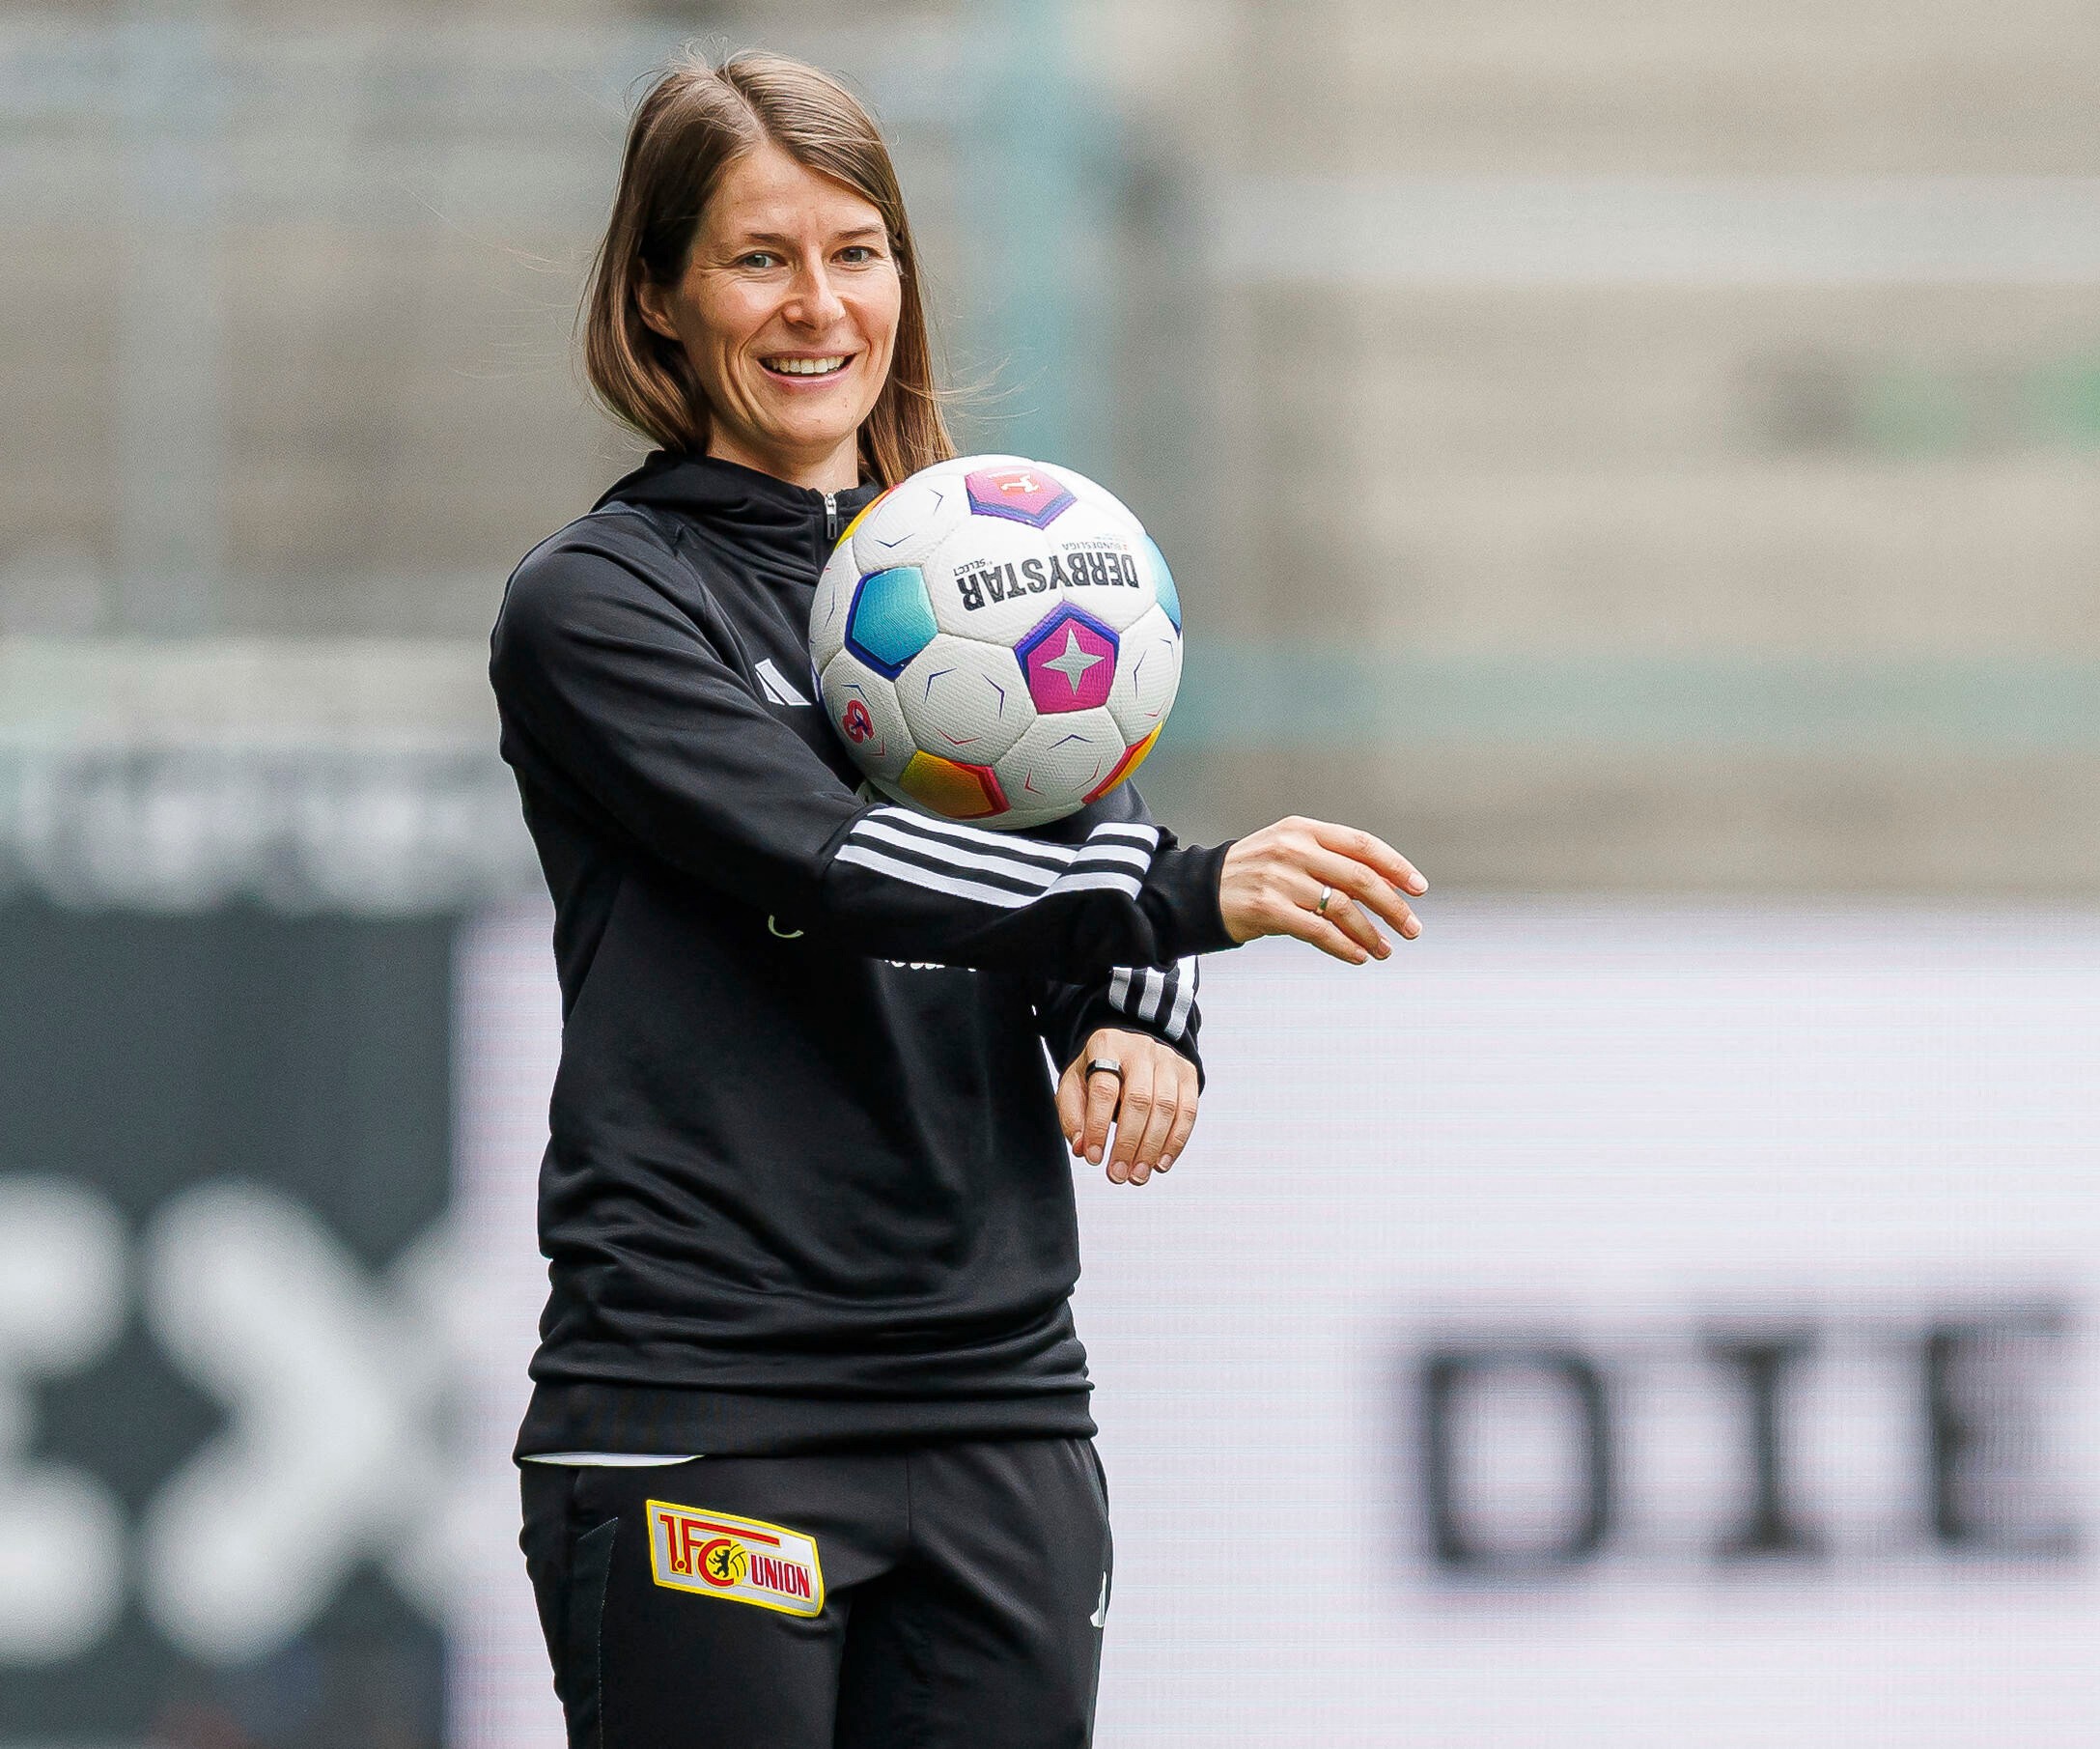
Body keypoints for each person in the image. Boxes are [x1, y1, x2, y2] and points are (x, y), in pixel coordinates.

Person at [491, 49, 1425, 1749]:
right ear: (660, 297)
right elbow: (834, 864)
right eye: (758, 258)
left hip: (1003, 1408)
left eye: (855, 252)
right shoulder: (598, 602)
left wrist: (1133, 1009)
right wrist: (1186, 901)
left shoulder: (989, 566)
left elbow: (1081, 824)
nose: (817, 305)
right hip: (713, 1404)